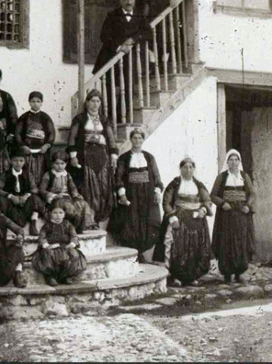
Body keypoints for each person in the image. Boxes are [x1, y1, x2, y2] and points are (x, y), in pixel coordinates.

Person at [153, 156, 215, 286]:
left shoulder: (198, 184)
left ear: (194, 169)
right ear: (180, 169)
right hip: (179, 219)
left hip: (196, 220)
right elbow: (166, 202)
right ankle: (177, 276)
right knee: (179, 248)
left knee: (195, 247)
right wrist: (172, 217)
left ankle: (192, 276)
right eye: (185, 167)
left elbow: (207, 200)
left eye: (191, 167)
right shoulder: (174, 184)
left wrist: (203, 210)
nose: (188, 170)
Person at [109, 128, 163, 262]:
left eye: (140, 138)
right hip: (131, 195)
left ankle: (142, 253)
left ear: (143, 140)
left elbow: (157, 177)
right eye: (135, 138)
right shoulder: (124, 158)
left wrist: (157, 192)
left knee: (147, 222)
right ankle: (133, 253)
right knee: (131, 222)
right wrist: (122, 194)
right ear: (130, 139)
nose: (137, 141)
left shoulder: (149, 158)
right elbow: (118, 177)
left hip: (147, 195)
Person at [67, 90, 118, 229]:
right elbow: (72, 138)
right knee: (88, 189)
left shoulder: (104, 119)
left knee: (102, 188)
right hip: (85, 158)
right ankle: (88, 220)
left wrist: (113, 155)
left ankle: (98, 219)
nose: (95, 104)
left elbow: (111, 139)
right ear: (87, 102)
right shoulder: (80, 119)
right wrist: (73, 156)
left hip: (102, 158)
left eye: (98, 101)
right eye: (93, 101)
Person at [210, 149, 256, 283]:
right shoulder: (222, 177)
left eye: (236, 160)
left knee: (241, 241)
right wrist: (222, 203)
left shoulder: (244, 176)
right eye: (231, 160)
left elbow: (252, 193)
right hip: (227, 215)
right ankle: (227, 274)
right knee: (227, 242)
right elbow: (213, 195)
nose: (234, 163)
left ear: (239, 162)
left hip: (241, 214)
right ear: (227, 162)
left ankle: (239, 273)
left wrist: (248, 205)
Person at [33, 201, 88, 286]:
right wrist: (46, 245)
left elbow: (74, 235)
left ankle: (68, 276)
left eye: (60, 213)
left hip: (65, 247)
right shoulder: (47, 226)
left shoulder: (68, 225)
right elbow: (42, 237)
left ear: (64, 214)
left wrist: (72, 243)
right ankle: (51, 277)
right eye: (55, 213)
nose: (58, 215)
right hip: (52, 247)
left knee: (74, 255)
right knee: (49, 255)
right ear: (50, 213)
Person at [0, 147, 45, 235]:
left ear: (24, 162)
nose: (18, 163)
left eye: (21, 161)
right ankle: (3, 225)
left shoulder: (28, 174)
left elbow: (35, 189)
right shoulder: (5, 175)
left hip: (24, 202)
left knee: (35, 198)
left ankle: (33, 224)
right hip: (11, 203)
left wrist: (26, 195)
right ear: (11, 161)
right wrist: (10, 196)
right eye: (15, 161)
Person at [40, 150, 94, 232]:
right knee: (67, 205)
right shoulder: (48, 175)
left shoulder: (67, 174)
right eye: (57, 163)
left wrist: (76, 194)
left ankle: (79, 227)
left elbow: (72, 187)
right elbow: (42, 190)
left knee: (82, 203)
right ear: (52, 163)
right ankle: (69, 227)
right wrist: (53, 195)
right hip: (55, 199)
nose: (59, 166)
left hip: (67, 197)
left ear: (66, 164)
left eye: (62, 164)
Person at [14, 91, 55, 187]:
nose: (35, 104)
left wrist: (47, 145)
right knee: (27, 174)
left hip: (41, 152)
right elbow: (17, 133)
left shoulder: (45, 117)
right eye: (33, 101)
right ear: (29, 102)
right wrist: (22, 146)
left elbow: (51, 133)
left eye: (38, 101)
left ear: (41, 103)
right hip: (27, 153)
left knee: (42, 174)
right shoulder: (24, 117)